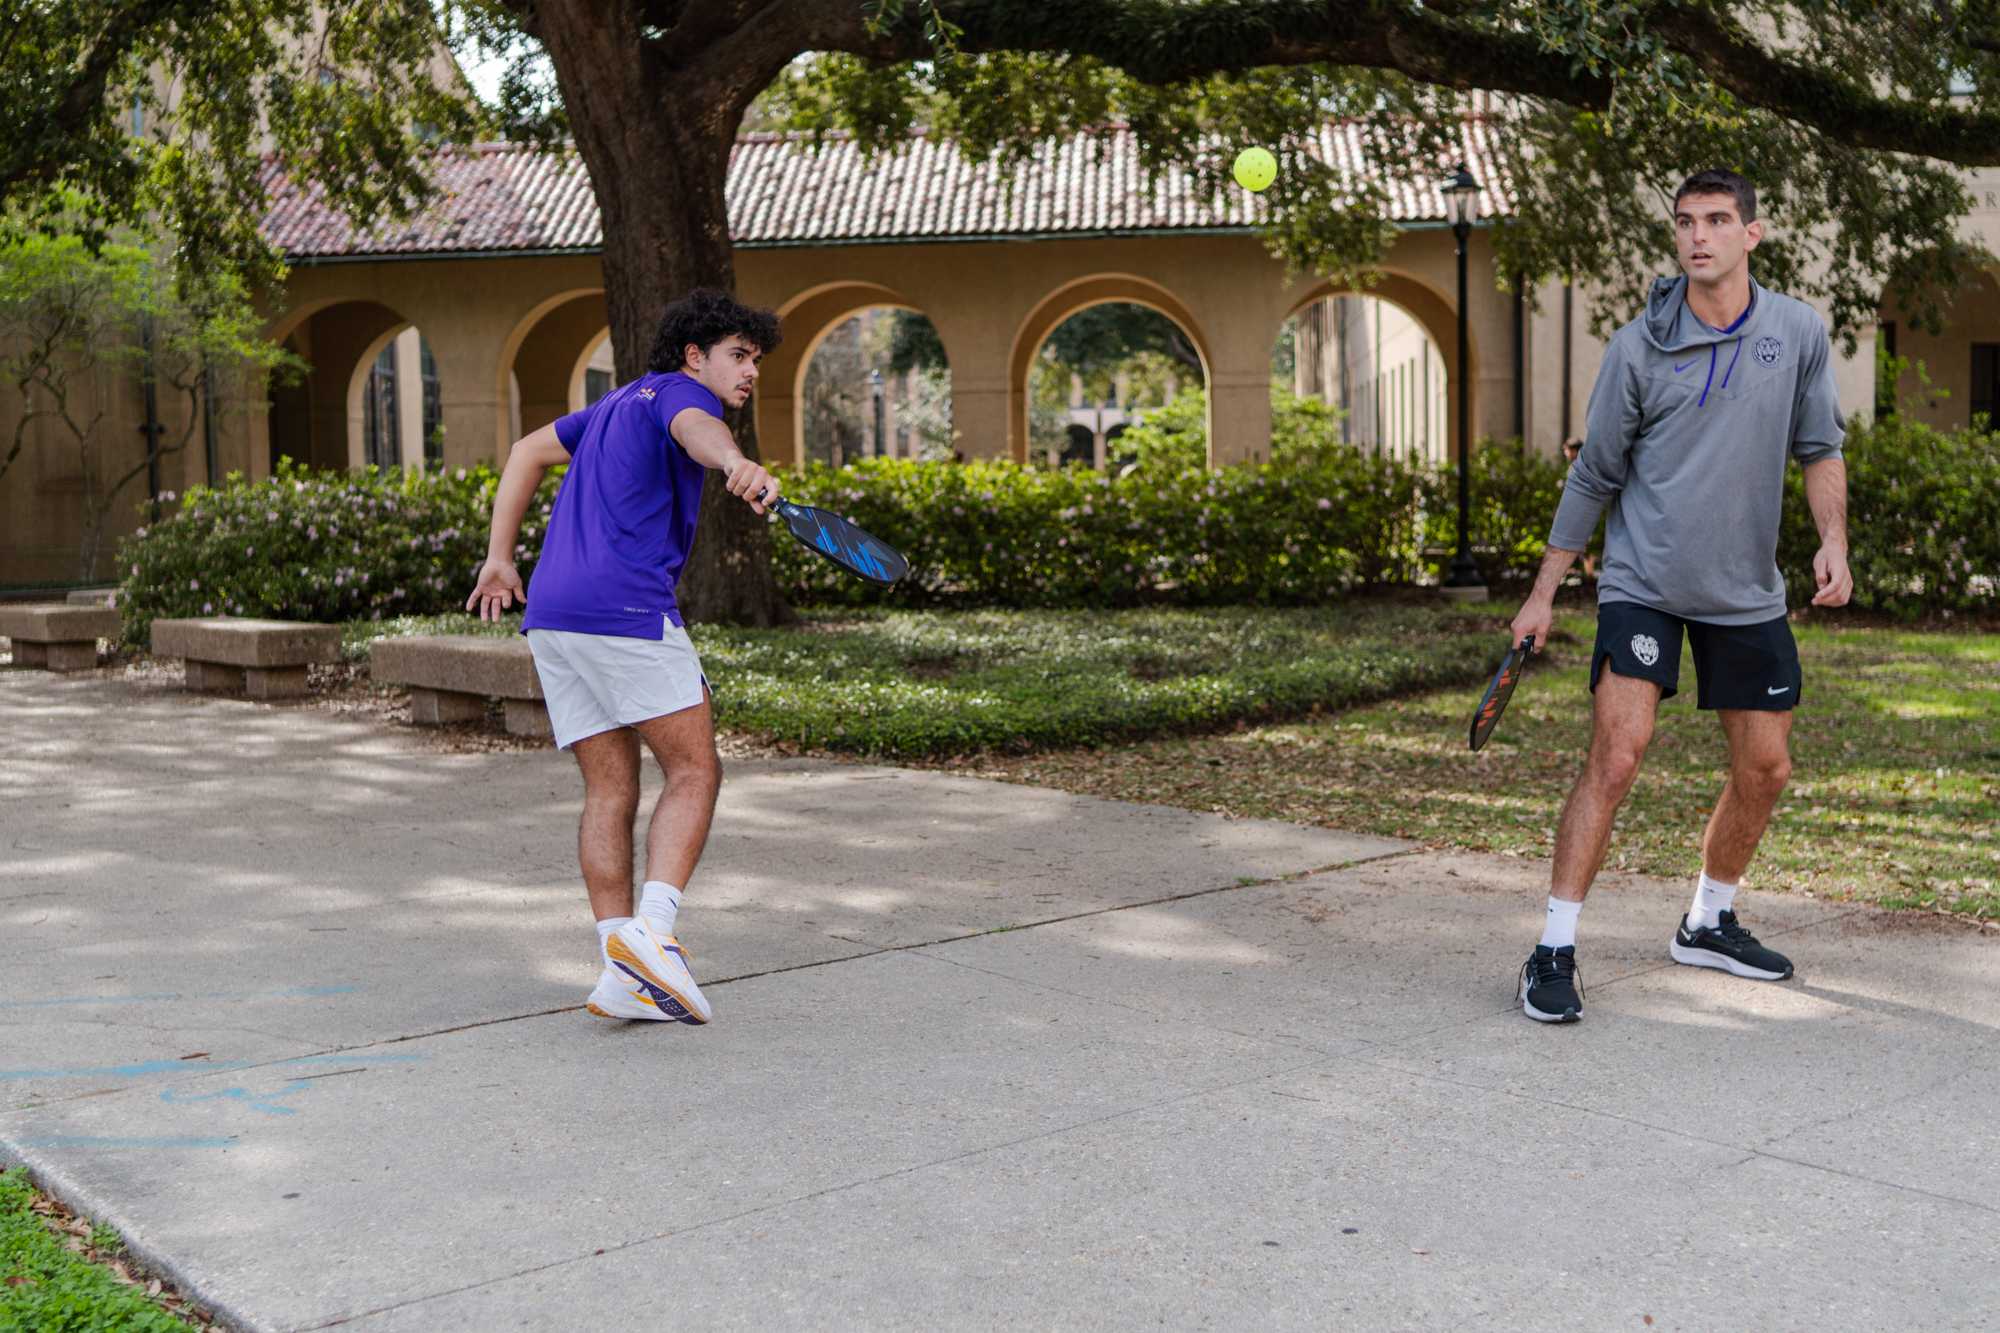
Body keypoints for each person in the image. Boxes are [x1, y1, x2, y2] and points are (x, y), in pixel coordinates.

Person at [1508, 168, 1852, 1023]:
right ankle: (1552, 946)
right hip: (1645, 582)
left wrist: (1834, 541)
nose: (1698, 235)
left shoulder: (1797, 332)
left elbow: (1819, 447)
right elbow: (1593, 475)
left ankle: (1708, 919)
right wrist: (1543, 592)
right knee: (1618, 754)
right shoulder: (1637, 348)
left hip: (1745, 591)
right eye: (1686, 222)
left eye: (1717, 220)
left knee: (1766, 769)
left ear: (1751, 235)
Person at [467, 288, 783, 1025]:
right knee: (696, 767)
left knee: (610, 790)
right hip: (624, 610)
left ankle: (621, 966)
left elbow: (523, 452)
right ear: (693, 355)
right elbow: (697, 426)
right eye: (739, 355)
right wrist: (736, 461)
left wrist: (498, 559)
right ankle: (656, 935)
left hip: (552, 613)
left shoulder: (612, 405)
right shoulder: (677, 393)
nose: (750, 372)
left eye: (757, 359)